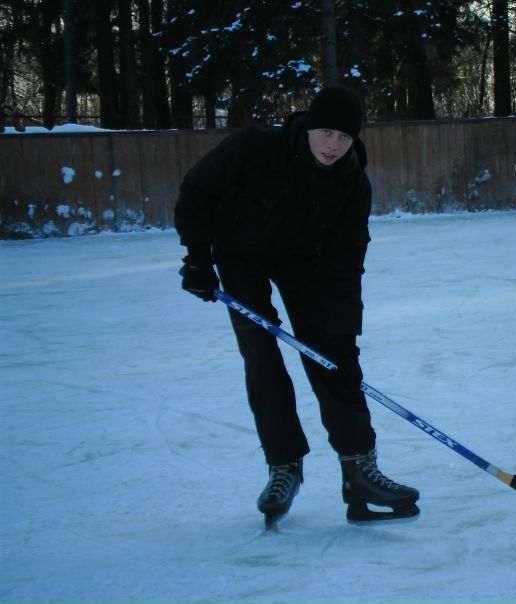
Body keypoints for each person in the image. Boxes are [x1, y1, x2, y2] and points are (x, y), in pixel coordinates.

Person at [174, 85, 419, 527]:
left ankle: (359, 472)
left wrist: (343, 336)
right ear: (308, 125)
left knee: (333, 359)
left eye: (344, 138)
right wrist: (197, 257)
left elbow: (347, 263)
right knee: (261, 353)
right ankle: (284, 466)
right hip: (240, 256)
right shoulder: (255, 146)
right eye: (326, 132)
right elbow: (197, 190)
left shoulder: (351, 183)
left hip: (307, 265)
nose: (333, 145)